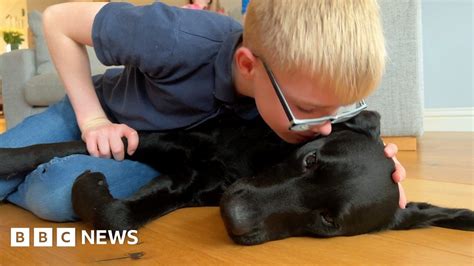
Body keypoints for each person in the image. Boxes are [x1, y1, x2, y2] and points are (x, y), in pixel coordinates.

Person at [0, 0, 406, 222]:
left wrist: (385, 176)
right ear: (248, 65)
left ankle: (36, 176)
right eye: (308, 110)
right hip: (96, 111)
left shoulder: (300, 92)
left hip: (151, 152)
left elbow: (356, 135)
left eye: (334, 113)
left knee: (57, 197)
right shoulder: (173, 36)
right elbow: (57, 20)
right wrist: (92, 120)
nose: (322, 129)